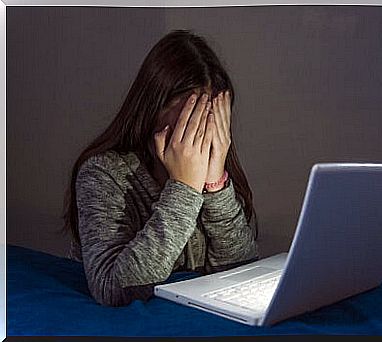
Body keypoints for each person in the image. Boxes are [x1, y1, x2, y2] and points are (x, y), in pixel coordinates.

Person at [60, 29, 260, 307]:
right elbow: (114, 289)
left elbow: (242, 274)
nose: (200, 139)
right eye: (189, 125)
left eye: (209, 125)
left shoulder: (217, 170)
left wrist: (215, 186)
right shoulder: (103, 173)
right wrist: (185, 190)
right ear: (152, 112)